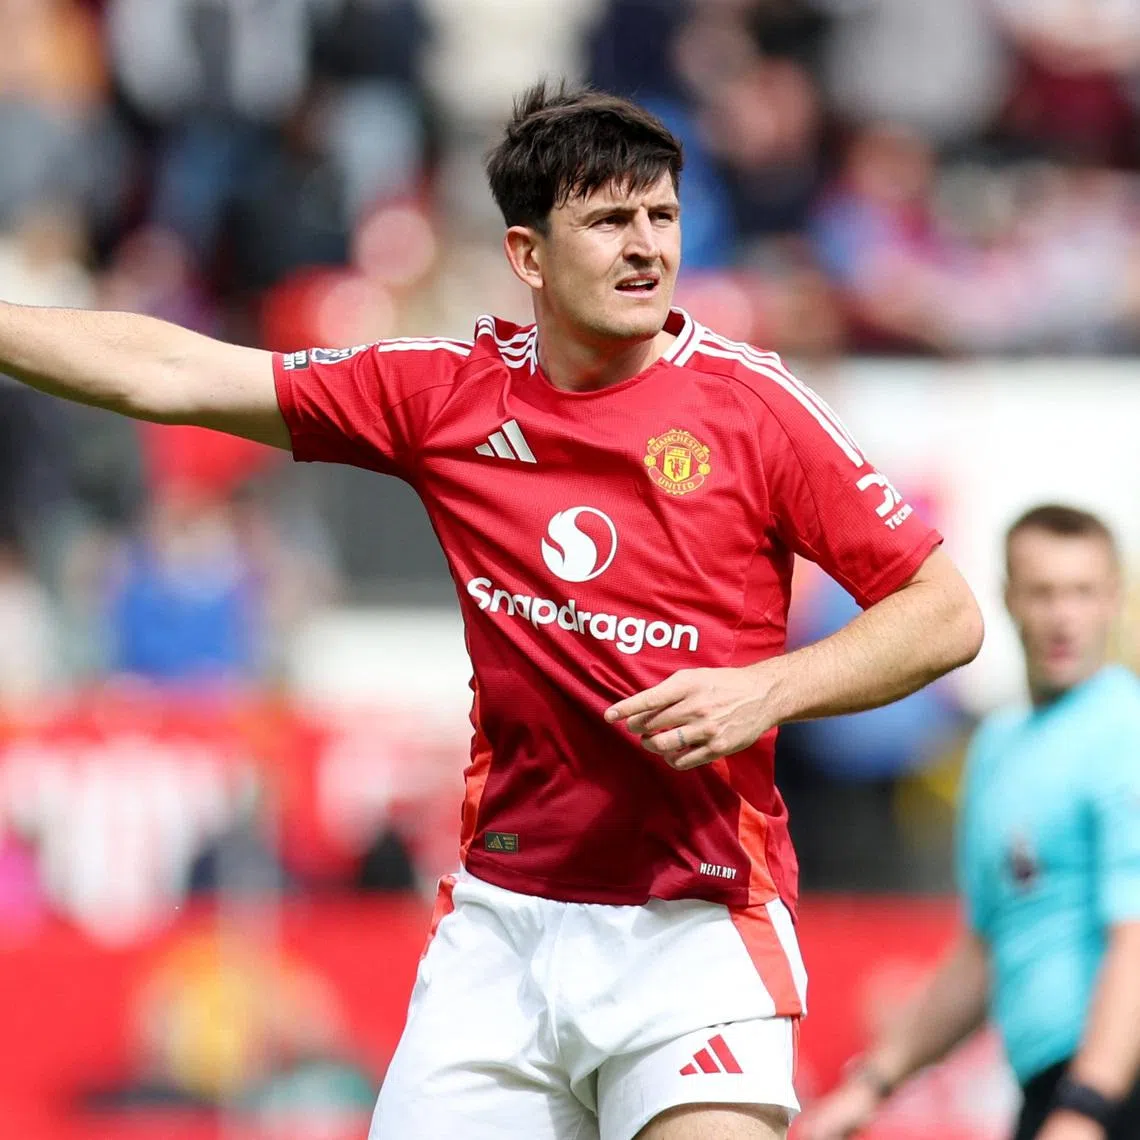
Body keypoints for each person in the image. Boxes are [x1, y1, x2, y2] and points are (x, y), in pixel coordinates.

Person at [0, 83, 983, 1140]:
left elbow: (945, 612)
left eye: (661, 216)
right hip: (505, 932)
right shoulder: (447, 394)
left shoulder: (755, 406)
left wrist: (768, 689)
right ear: (527, 255)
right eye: (609, 222)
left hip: (695, 926)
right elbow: (174, 372)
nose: (646, 246)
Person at [801, 504, 1140, 1140]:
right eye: (1043, 592)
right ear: (1009, 597)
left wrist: (1088, 1108)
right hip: (1050, 1088)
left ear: (1113, 598)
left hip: (1111, 1086)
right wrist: (871, 1084)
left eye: (1082, 592)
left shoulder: (1127, 731)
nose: (1063, 616)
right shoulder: (996, 749)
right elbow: (984, 948)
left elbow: (1137, 936)